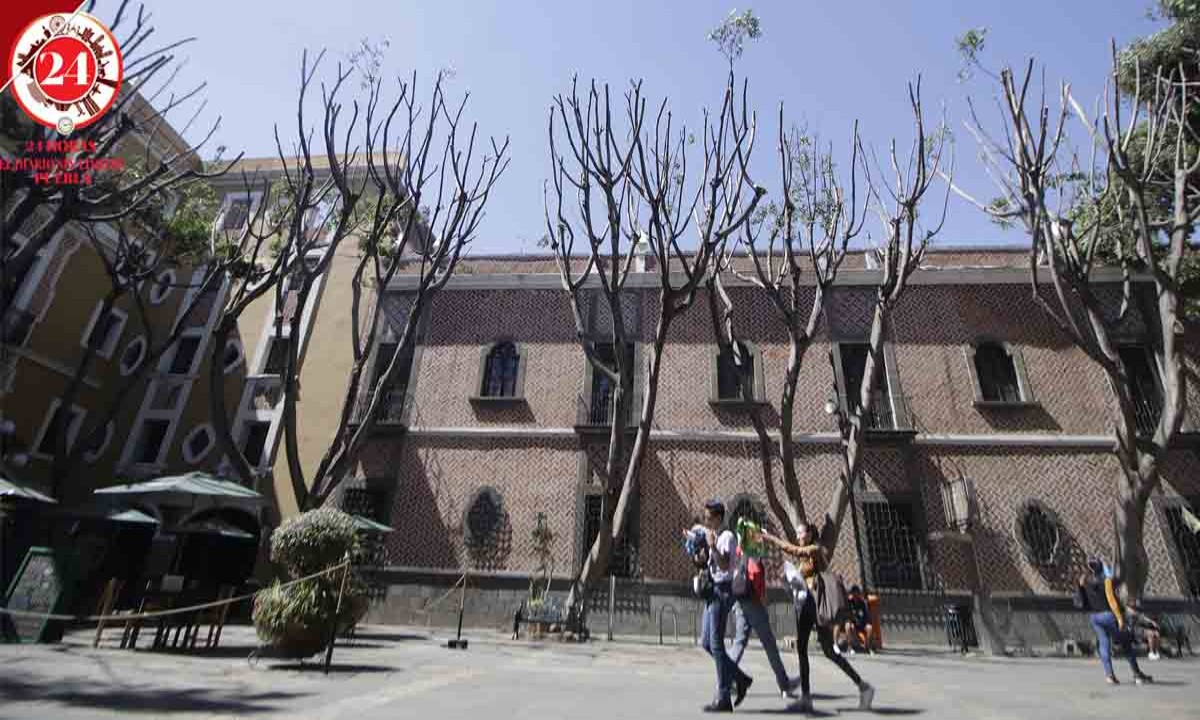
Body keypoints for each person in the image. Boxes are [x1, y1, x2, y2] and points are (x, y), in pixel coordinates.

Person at [760, 522, 874, 713]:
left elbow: (793, 549)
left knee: (810, 649)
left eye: (800, 532)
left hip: (813, 606)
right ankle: (862, 687)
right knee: (822, 650)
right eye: (796, 532)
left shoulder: (814, 549)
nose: (797, 535)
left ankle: (810, 697)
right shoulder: (806, 557)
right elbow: (801, 577)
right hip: (807, 605)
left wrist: (770, 538)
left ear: (810, 534)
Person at [683, 500, 753, 713]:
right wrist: (700, 554)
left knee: (716, 644)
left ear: (718, 518)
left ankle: (724, 697)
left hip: (723, 592)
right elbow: (710, 563)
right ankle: (740, 678)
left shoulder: (728, 537)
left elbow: (724, 565)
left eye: (708, 517)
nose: (705, 521)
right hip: (712, 590)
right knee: (707, 642)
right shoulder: (713, 536)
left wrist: (712, 546)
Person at [729, 545, 800, 700]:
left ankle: (725, 680)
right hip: (754, 603)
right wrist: (762, 599)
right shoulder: (752, 552)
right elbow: (754, 575)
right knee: (769, 645)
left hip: (740, 601)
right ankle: (784, 685)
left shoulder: (740, 551)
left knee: (739, 642)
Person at [1074, 558, 1154, 685]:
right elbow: (1112, 601)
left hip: (1095, 617)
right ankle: (1137, 674)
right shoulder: (1106, 581)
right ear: (1101, 568)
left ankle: (1109, 675)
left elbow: (1082, 600)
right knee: (1126, 643)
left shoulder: (1085, 582)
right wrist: (1120, 619)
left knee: (1104, 646)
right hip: (1108, 616)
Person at [835, 585, 874, 656]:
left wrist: (868, 623)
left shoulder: (862, 603)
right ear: (852, 594)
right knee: (849, 626)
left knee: (869, 628)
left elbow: (866, 615)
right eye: (854, 593)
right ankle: (850, 647)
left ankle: (868, 647)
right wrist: (851, 621)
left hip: (861, 623)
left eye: (857, 593)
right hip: (853, 623)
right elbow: (847, 615)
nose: (856, 595)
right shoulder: (849, 603)